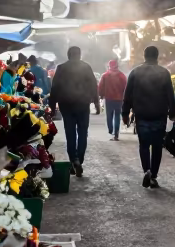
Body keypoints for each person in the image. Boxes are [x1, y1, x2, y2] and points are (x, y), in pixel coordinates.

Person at [122, 46, 175, 189]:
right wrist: (173, 112)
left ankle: (147, 170)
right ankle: (154, 176)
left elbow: (127, 95)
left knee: (144, 145)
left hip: (142, 115)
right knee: (157, 146)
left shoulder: (135, 72)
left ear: (144, 56)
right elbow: (170, 94)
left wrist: (125, 113)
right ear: (157, 56)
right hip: (159, 115)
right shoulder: (164, 73)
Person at [49, 46, 99, 176]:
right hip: (83, 104)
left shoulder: (61, 68)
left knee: (70, 133)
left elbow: (54, 88)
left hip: (66, 105)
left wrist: (52, 107)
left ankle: (73, 160)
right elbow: (94, 85)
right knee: (83, 133)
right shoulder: (86, 67)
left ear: (68, 55)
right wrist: (97, 102)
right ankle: (79, 161)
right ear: (80, 54)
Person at [97, 59, 128, 141]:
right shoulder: (122, 76)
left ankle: (110, 129)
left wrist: (101, 95)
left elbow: (100, 87)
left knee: (109, 115)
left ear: (109, 66)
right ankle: (116, 134)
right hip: (119, 99)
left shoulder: (105, 75)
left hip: (109, 99)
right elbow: (126, 88)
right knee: (117, 116)